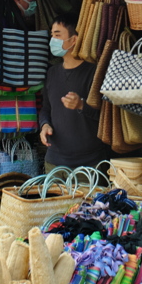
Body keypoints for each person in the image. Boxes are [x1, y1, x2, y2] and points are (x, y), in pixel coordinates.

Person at [38, 13, 110, 171]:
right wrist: (44, 125)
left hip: (89, 164)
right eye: (52, 35)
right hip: (54, 162)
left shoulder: (95, 73)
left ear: (74, 39)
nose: (53, 41)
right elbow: (46, 108)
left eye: (58, 35)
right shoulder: (52, 73)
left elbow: (106, 117)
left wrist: (81, 105)